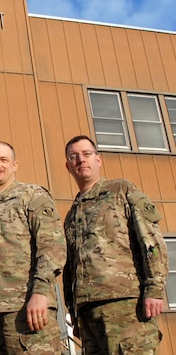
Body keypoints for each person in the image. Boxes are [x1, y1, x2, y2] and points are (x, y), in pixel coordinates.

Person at [63, 135, 169, 354]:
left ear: (98, 160)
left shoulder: (121, 190)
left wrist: (155, 288)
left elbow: (150, 239)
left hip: (126, 305)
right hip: (87, 311)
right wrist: (73, 310)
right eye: (74, 157)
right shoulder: (72, 214)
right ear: (68, 166)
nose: (81, 160)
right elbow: (69, 266)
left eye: (86, 154)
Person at [0, 141, 66, 355]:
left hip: (28, 313)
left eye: (4, 160)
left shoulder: (32, 196)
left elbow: (53, 246)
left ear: (15, 165)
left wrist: (41, 292)